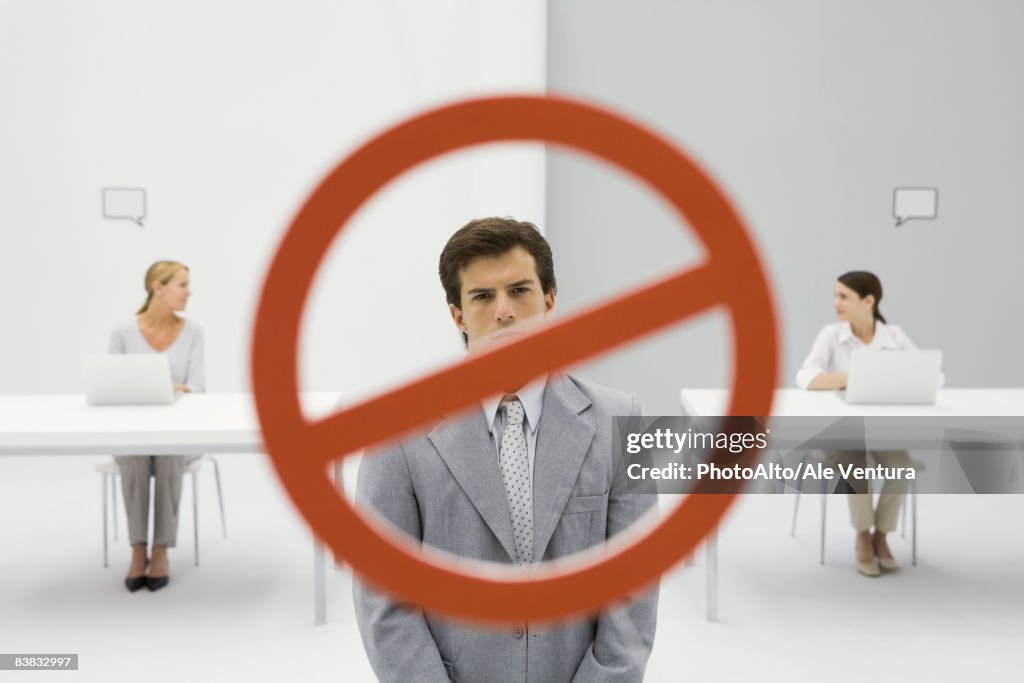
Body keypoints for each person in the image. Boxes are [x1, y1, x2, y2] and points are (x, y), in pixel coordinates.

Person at [353, 217, 658, 682]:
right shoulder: (394, 433)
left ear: (549, 301)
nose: (505, 312)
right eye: (482, 296)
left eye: (520, 290)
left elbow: (633, 586)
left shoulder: (621, 419)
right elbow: (384, 597)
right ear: (457, 314)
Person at [795, 270, 921, 577]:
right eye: (835, 295)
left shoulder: (894, 337)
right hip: (842, 436)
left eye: (843, 296)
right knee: (858, 466)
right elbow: (806, 376)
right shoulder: (831, 336)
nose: (835, 303)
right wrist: (856, 378)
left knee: (901, 465)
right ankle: (863, 537)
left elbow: (926, 375)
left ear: (868, 301)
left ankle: (882, 537)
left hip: (883, 432)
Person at [110, 261, 205, 592]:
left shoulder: (193, 332)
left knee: (168, 454)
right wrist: (170, 385)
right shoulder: (122, 334)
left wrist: (173, 388)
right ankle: (138, 549)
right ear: (158, 288)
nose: (189, 292)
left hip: (178, 433)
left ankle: (161, 549)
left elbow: (198, 388)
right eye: (182, 285)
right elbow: (111, 386)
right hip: (133, 431)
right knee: (135, 456)